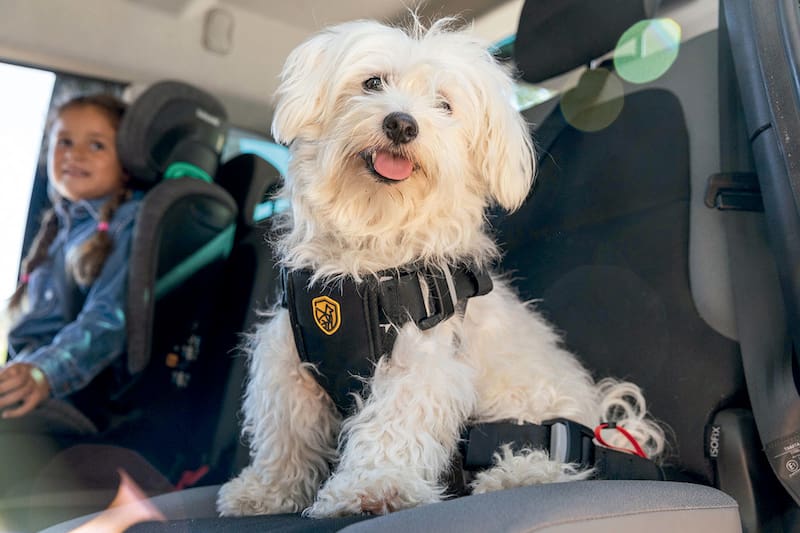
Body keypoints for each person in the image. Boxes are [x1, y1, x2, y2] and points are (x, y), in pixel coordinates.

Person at [0, 93, 140, 433]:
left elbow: (106, 320)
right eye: (64, 141)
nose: (74, 154)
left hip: (72, 394)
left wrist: (44, 371)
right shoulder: (63, 224)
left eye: (96, 146)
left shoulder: (129, 221)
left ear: (125, 164)